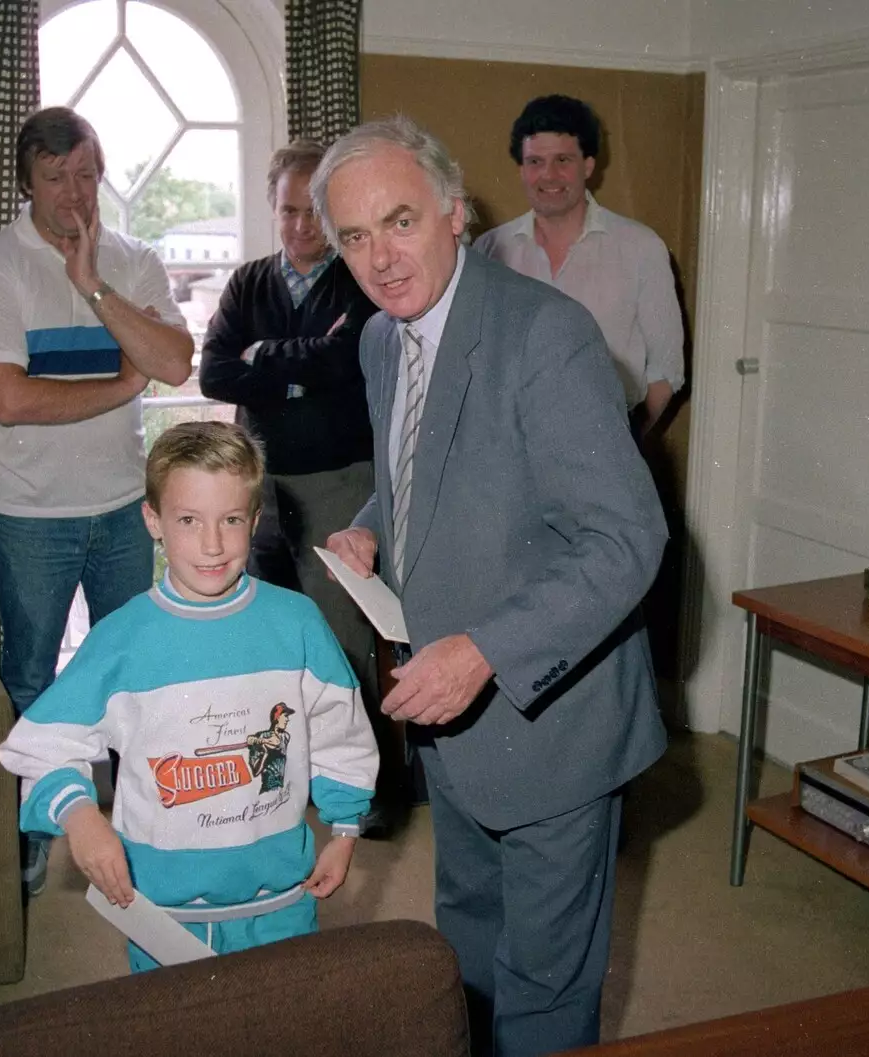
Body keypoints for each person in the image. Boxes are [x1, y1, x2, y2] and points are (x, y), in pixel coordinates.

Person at [314, 116, 670, 1057]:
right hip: (452, 721)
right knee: (463, 945)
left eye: (399, 221)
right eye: (354, 237)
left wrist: (485, 652)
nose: (381, 258)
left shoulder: (546, 334)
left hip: (554, 720)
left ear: (455, 211)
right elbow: (417, 471)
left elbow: (628, 538)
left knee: (546, 987)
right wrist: (372, 524)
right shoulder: (383, 342)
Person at [0, 421, 379, 972]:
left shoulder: (296, 623)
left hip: (279, 899)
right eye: (188, 521)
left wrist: (344, 828)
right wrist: (82, 819)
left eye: (230, 520)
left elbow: (341, 732)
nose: (213, 544)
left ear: (254, 519)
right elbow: (39, 746)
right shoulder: (121, 640)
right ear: (153, 521)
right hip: (159, 910)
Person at [0, 106, 195, 895]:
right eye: (56, 178)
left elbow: (170, 361)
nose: (75, 194)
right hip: (31, 514)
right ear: (27, 182)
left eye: (88, 175)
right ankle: (36, 833)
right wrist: (120, 384)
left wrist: (93, 285)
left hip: (123, 507)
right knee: (32, 678)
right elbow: (12, 400)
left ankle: (140, 825)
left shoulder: (131, 260)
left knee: (136, 675)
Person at [198, 141, 401, 824]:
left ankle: (358, 794)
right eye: (287, 211)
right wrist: (297, 365)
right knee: (266, 642)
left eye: (312, 212)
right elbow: (215, 372)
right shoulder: (247, 282)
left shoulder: (358, 277)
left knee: (338, 641)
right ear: (272, 209)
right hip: (258, 488)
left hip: (341, 481)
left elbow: (346, 363)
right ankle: (277, 791)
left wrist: (266, 359)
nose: (299, 226)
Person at [474, 94, 684, 438]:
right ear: (521, 170)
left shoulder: (641, 248)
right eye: (535, 162)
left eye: (563, 160)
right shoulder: (492, 250)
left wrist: (623, 447)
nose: (549, 175)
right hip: (511, 443)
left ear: (588, 165)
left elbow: (666, 370)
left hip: (604, 437)